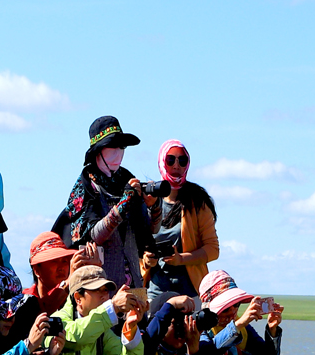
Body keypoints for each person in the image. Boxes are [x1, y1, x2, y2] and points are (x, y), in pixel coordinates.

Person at [61, 116, 150, 290]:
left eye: (121, 146)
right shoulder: (86, 187)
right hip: (100, 290)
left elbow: (146, 230)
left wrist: (152, 206)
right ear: (98, 150)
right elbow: (94, 234)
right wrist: (122, 206)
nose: (118, 151)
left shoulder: (127, 179)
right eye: (112, 146)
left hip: (134, 284)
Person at [140, 140, 219, 310]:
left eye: (182, 161)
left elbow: (212, 249)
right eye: (171, 160)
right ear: (162, 161)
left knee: (191, 335)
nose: (176, 165)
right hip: (156, 291)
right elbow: (135, 249)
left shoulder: (198, 201)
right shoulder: (148, 200)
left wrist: (180, 259)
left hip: (190, 291)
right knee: (155, 333)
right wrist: (147, 261)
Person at [25, 232, 74, 318]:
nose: (61, 268)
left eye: (64, 261)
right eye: (54, 261)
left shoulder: (75, 297)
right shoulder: (23, 302)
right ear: (36, 270)